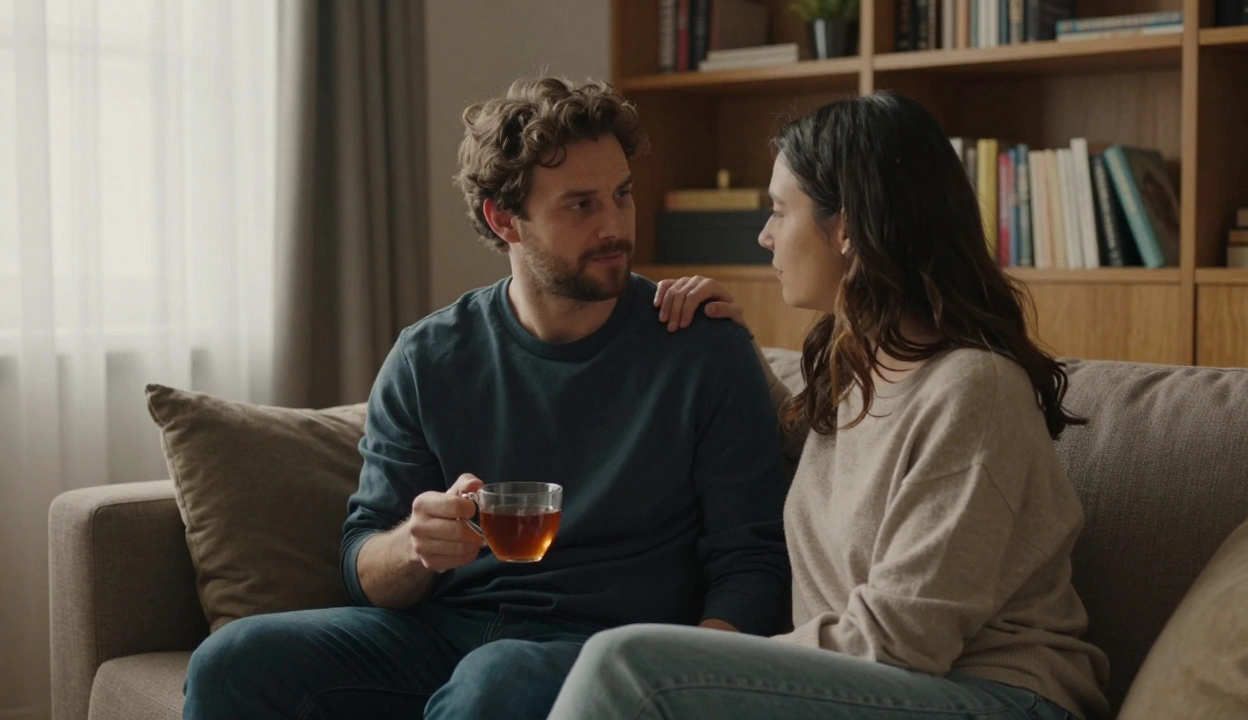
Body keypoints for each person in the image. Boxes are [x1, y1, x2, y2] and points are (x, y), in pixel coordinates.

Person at [181, 77, 790, 720]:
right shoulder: (428, 357)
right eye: (580, 205)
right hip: (443, 634)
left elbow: (752, 560)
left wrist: (695, 677)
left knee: (494, 679)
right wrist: (416, 545)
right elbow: (362, 566)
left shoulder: (698, 345)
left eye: (622, 194)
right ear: (505, 220)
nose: (615, 225)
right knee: (235, 658)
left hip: (604, 648)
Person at [547, 91, 1111, 720]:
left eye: (778, 212)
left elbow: (901, 641)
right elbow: (814, 451)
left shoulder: (973, 391)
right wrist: (727, 342)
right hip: (882, 684)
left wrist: (719, 662)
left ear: (844, 228)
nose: (763, 236)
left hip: (994, 696)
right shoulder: (857, 374)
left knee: (626, 666)